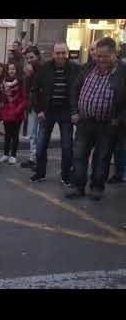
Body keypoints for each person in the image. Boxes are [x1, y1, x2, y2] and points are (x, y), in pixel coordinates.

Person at [66, 37, 126, 201]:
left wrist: (119, 119)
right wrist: (74, 111)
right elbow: (74, 88)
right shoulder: (89, 66)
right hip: (85, 121)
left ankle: (97, 187)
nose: (100, 60)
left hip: (108, 124)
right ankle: (78, 186)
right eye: (98, 56)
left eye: (104, 56)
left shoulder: (123, 72)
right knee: (79, 154)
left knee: (102, 157)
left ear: (115, 54)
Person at [30, 43, 81, 184]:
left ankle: (65, 175)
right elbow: (34, 90)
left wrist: (76, 111)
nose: (60, 56)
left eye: (63, 53)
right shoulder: (44, 69)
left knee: (67, 146)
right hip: (48, 112)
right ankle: (40, 173)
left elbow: (80, 90)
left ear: (67, 53)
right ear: (53, 54)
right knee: (40, 145)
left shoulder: (76, 69)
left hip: (66, 112)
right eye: (58, 53)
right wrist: (39, 110)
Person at [0, 63, 28, 164]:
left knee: (15, 135)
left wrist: (17, 110)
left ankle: (13, 155)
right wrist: (1, 109)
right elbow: (2, 98)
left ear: (16, 70)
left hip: (17, 113)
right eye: (9, 69)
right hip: (7, 112)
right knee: (7, 135)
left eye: (13, 69)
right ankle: (5, 154)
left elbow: (24, 99)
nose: (11, 71)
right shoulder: (4, 82)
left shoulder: (21, 82)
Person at [20, 46, 42, 169]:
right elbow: (27, 89)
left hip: (41, 107)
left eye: (32, 57)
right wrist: (28, 76)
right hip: (32, 106)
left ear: (37, 56)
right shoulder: (29, 70)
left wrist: (32, 74)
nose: (30, 60)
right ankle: (33, 158)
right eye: (27, 58)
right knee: (32, 134)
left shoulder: (42, 69)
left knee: (39, 134)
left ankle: (39, 159)